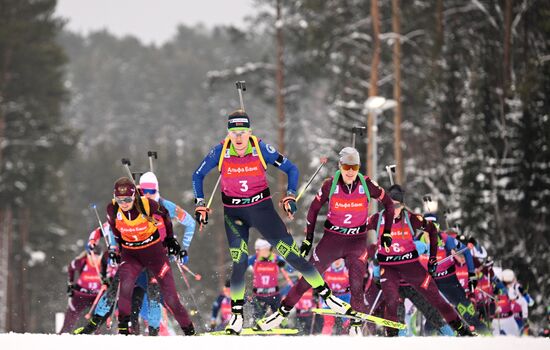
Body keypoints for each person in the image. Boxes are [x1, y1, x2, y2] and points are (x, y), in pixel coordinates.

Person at [192, 110, 353, 334]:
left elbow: (291, 169)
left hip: (262, 210)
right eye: (233, 132)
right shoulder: (220, 151)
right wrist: (200, 203)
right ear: (228, 133)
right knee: (238, 262)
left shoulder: (260, 148)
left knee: (291, 255)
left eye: (242, 132)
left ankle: (328, 297)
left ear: (250, 132)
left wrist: (290, 194)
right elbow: (197, 175)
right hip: (234, 214)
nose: (238, 138)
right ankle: (237, 317)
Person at [256, 147, 394, 335]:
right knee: (309, 277)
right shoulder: (330, 185)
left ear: (359, 167)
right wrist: (308, 240)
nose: (350, 171)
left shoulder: (367, 185)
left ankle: (355, 325)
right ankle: (280, 314)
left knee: (356, 282)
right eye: (346, 166)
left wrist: (386, 232)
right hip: (333, 240)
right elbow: (313, 210)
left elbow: (388, 203)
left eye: (354, 166)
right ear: (340, 165)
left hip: (357, 240)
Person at [369, 184, 474, 336]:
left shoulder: (411, 223)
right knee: (396, 317)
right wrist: (377, 276)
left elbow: (425, 245)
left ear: (402, 205)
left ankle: (452, 335)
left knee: (432, 312)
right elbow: (377, 258)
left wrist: (426, 252)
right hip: (394, 284)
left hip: (412, 283)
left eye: (397, 205)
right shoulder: (380, 222)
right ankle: (398, 339)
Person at [106, 177, 194, 335]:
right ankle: (124, 331)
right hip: (130, 253)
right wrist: (116, 249)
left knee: (170, 298)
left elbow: (166, 217)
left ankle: (189, 331)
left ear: (134, 196)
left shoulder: (148, 204)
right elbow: (115, 229)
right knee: (125, 288)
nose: (124, 203)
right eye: (120, 200)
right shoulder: (112, 209)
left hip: (154, 253)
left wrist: (170, 240)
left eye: (127, 199)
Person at [59, 250, 104, 333]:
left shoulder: (103, 263)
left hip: (97, 297)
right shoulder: (81, 262)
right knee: (70, 318)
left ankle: (98, 338)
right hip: (80, 295)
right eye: (92, 256)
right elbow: (70, 268)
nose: (95, 259)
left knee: (98, 319)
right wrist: (70, 284)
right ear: (88, 255)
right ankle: (63, 335)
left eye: (98, 256)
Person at [248, 239, 293, 320]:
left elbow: (290, 269)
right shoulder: (254, 259)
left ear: (267, 248)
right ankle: (258, 329)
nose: (257, 251)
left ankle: (284, 330)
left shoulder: (276, 258)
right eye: (257, 249)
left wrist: (284, 265)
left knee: (280, 318)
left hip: (274, 295)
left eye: (259, 249)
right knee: (258, 318)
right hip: (259, 295)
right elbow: (241, 266)